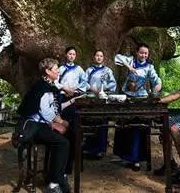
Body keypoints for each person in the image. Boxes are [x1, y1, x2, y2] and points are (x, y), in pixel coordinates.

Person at [16, 58, 80, 193]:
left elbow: (55, 107)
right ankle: (53, 184)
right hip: (35, 126)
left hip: (44, 123)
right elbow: (44, 111)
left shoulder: (49, 85)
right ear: (47, 71)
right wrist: (59, 122)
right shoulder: (41, 86)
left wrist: (71, 102)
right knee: (62, 142)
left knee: (73, 135)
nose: (58, 71)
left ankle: (61, 174)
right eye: (56, 69)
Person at [113, 43, 162, 171]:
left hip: (141, 98)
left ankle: (136, 159)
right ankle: (124, 156)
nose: (143, 55)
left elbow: (156, 81)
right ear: (136, 52)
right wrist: (129, 66)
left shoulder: (149, 67)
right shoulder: (131, 60)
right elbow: (117, 57)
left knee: (137, 128)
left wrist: (157, 86)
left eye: (146, 53)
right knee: (123, 126)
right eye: (141, 53)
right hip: (126, 96)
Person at [83, 50, 117, 157]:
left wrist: (103, 88)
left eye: (101, 56)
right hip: (91, 99)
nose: (99, 58)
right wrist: (92, 89)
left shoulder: (107, 70)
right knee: (90, 122)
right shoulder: (89, 70)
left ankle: (101, 149)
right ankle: (89, 148)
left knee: (102, 123)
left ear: (103, 58)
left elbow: (113, 84)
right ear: (94, 57)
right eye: (97, 55)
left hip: (103, 99)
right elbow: (83, 82)